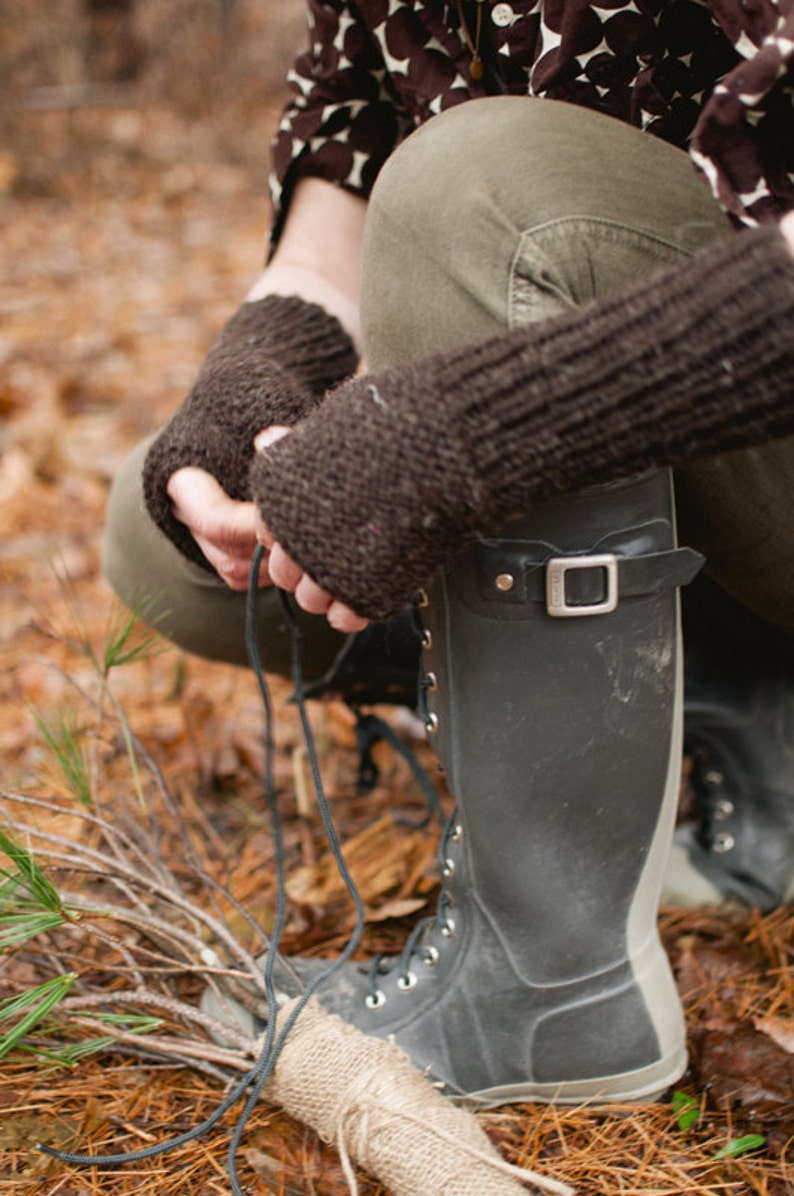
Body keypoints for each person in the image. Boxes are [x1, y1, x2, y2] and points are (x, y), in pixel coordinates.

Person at [104, 1, 794, 1106]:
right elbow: (332, 216)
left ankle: (550, 986)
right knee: (161, 541)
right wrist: (252, 393)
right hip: (691, 445)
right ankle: (734, 715)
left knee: (478, 184)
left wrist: (464, 434)